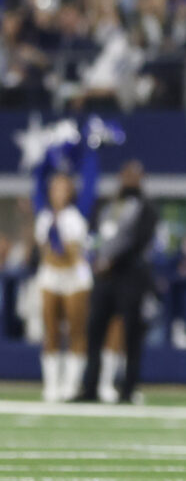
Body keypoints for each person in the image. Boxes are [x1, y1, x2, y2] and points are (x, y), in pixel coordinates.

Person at [77, 161, 158, 404]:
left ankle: (128, 389)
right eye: (126, 175)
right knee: (94, 331)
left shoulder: (146, 209)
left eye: (134, 176)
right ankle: (90, 386)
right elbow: (94, 235)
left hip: (130, 277)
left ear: (141, 178)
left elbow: (140, 242)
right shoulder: (107, 206)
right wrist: (94, 258)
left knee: (132, 334)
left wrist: (112, 261)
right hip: (104, 278)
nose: (129, 180)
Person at [33, 147, 98, 402]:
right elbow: (46, 254)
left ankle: (71, 384)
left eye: (64, 188)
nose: (58, 192)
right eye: (55, 188)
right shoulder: (44, 217)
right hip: (51, 275)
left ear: (70, 191)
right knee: (50, 331)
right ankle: (51, 384)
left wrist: (90, 152)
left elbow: (71, 255)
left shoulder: (76, 216)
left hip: (75, 277)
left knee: (76, 331)